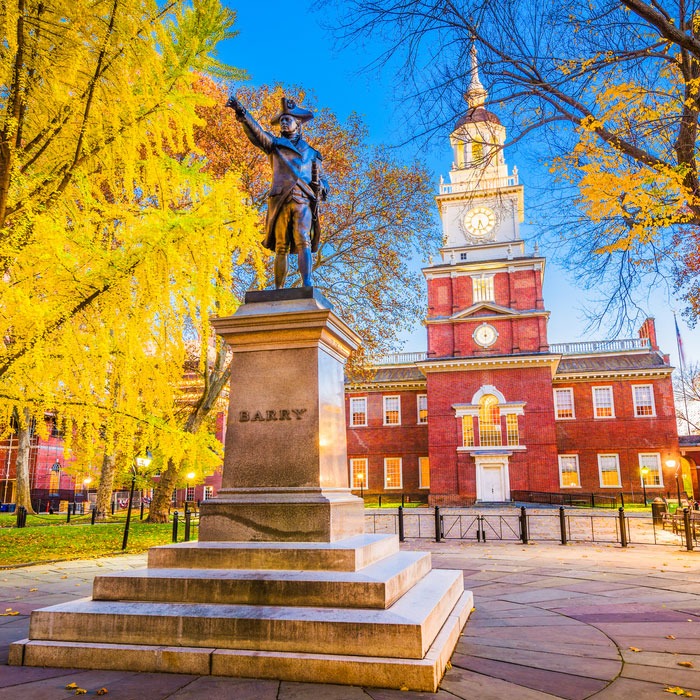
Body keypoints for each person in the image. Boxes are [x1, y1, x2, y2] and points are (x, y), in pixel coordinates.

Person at [226, 95, 328, 288]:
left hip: (303, 200)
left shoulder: (313, 153)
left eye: (287, 120)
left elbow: (324, 181)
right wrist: (242, 112)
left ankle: (307, 283)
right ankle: (278, 288)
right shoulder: (274, 144)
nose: (283, 123)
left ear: (298, 123)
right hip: (281, 200)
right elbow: (258, 133)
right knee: (281, 245)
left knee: (303, 240)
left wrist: (321, 186)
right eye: (281, 120)